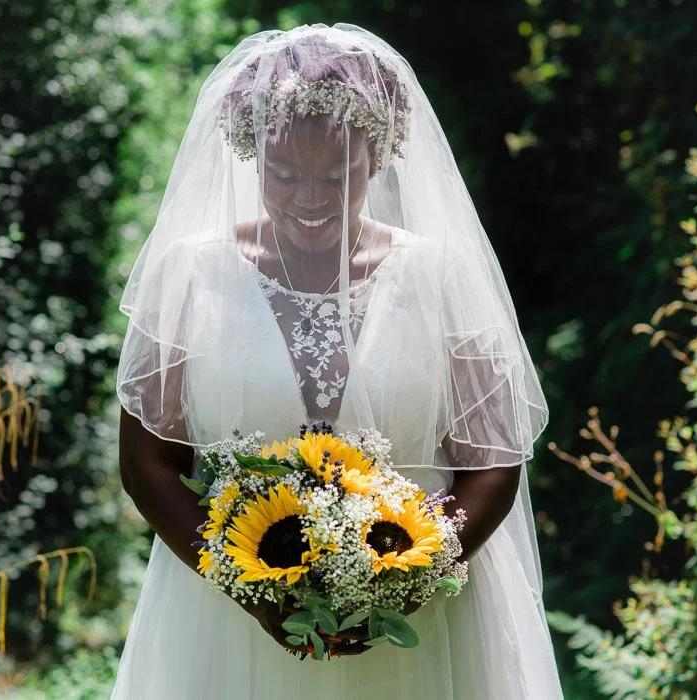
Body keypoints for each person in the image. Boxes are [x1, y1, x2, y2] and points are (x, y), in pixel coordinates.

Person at [111, 23, 563, 699]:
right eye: (285, 174)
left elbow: (494, 458)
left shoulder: (441, 274)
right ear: (252, 157)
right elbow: (147, 460)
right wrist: (247, 586)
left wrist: (414, 575)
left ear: (377, 157)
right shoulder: (191, 274)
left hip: (428, 619)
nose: (312, 198)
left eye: (338, 173)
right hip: (226, 614)